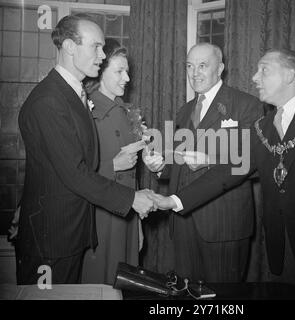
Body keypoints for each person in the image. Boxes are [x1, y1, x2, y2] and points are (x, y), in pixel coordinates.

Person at [154, 49, 295, 297]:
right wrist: (174, 200)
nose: (254, 77)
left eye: (264, 70)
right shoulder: (263, 127)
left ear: (290, 74)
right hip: (280, 253)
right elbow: (230, 171)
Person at [16, 14, 157, 285]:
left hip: (72, 232)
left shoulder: (72, 94)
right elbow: (75, 173)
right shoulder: (48, 101)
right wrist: (132, 199)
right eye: (96, 47)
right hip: (51, 239)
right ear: (69, 47)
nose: (102, 55)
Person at [144, 43, 264, 283]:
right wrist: (160, 167)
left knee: (222, 298)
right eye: (189, 66)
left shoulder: (247, 105)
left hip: (223, 223)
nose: (194, 73)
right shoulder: (184, 110)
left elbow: (250, 162)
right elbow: (179, 161)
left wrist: (210, 160)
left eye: (202, 65)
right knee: (186, 295)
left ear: (219, 68)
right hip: (182, 221)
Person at [80, 39, 145, 284]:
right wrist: (112, 165)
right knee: (99, 283)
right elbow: (73, 172)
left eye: (126, 71)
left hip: (127, 211)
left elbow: (133, 177)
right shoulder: (86, 112)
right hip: (99, 216)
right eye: (119, 71)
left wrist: (137, 222)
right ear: (100, 72)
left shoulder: (127, 112)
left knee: (123, 282)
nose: (127, 78)